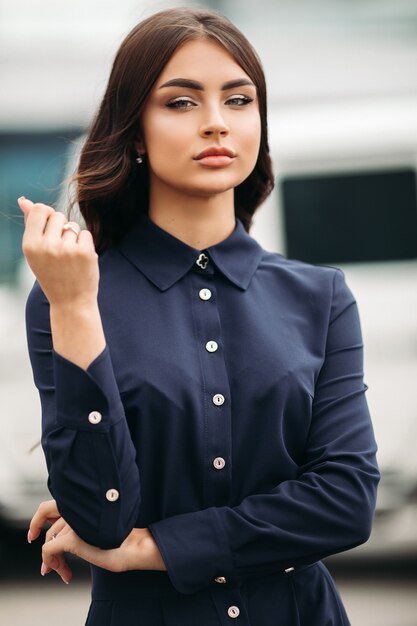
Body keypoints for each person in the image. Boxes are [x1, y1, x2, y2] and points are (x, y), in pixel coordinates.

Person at [20, 7, 379, 626]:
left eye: (238, 100)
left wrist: (154, 546)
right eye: (181, 103)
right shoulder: (70, 295)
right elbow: (102, 516)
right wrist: (76, 307)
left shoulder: (320, 298)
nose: (216, 123)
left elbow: (345, 502)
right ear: (134, 130)